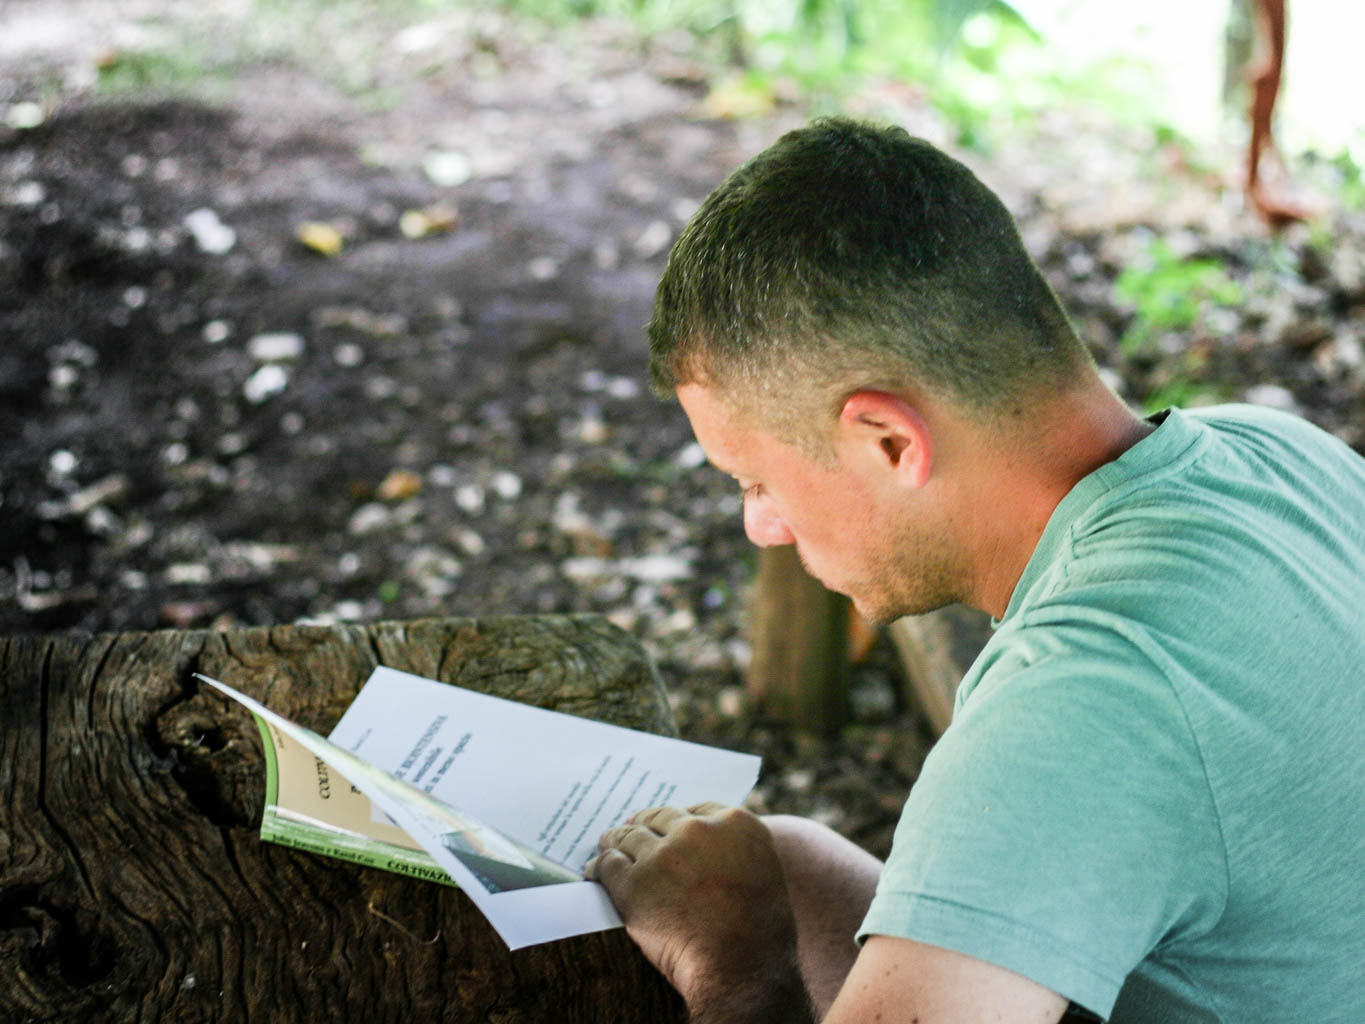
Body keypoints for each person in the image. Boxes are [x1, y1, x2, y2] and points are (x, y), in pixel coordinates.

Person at [583, 118, 1365, 1023]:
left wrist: (738, 971)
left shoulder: (1077, 706)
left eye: (756, 481)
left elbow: (1091, 740)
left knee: (737, 926)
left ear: (888, 440)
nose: (760, 527)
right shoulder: (1271, 450)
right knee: (783, 866)